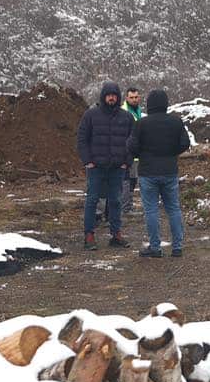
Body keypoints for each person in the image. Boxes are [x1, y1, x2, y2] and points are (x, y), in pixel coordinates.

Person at [126, 89, 190, 258]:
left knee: (151, 210)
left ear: (150, 104)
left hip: (148, 171)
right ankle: (177, 247)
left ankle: (155, 248)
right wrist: (172, 153)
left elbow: (131, 146)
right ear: (166, 104)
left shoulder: (141, 123)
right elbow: (185, 143)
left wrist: (142, 154)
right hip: (170, 170)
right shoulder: (176, 122)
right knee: (173, 209)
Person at [77, 80, 134, 250]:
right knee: (92, 200)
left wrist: (127, 162)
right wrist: (88, 161)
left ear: (118, 97)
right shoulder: (91, 115)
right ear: (103, 96)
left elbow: (133, 141)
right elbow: (81, 139)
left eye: (114, 95)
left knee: (116, 201)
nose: (112, 98)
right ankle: (89, 236)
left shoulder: (127, 117)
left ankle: (116, 235)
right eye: (109, 95)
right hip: (96, 167)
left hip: (117, 168)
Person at [98, 86, 142, 225]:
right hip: (123, 155)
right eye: (131, 97)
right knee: (123, 183)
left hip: (134, 155)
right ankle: (122, 209)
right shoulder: (123, 112)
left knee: (131, 182)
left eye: (136, 97)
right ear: (126, 98)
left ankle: (124, 207)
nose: (134, 100)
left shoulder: (138, 112)